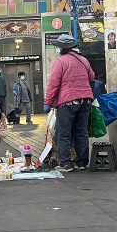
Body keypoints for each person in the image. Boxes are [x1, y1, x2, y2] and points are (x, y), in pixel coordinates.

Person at [44, 34, 95, 172]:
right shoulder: (84, 60)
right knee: (81, 131)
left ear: (63, 48)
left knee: (63, 132)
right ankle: (82, 162)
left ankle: (65, 163)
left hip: (68, 102)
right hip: (85, 100)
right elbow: (92, 77)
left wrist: (48, 102)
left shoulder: (61, 61)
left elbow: (53, 84)